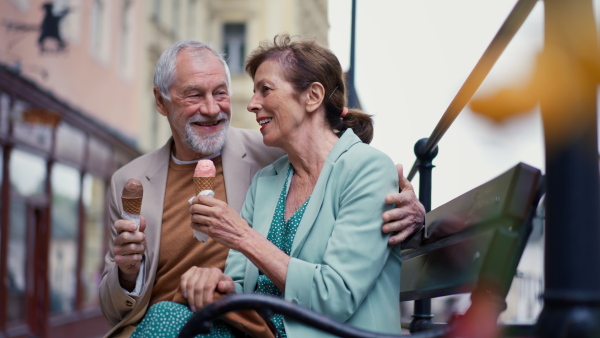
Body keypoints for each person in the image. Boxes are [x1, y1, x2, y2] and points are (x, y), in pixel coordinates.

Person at [99, 39, 425, 337]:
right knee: (165, 316)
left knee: (167, 320)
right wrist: (216, 281)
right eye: (195, 95)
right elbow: (239, 282)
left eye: (264, 90)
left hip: (316, 328)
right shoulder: (269, 176)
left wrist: (414, 211)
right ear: (161, 101)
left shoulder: (334, 161)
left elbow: (351, 161)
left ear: (312, 96)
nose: (250, 104)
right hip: (243, 325)